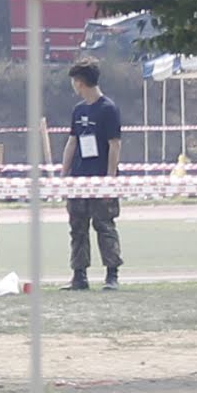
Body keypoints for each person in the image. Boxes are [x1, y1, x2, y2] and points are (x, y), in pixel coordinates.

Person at [61, 60, 128, 287]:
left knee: (105, 225)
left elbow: (114, 145)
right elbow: (72, 142)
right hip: (79, 178)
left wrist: (110, 180)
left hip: (100, 178)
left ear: (80, 82)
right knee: (77, 227)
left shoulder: (108, 109)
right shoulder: (78, 111)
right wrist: (64, 174)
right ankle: (79, 275)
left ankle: (112, 275)